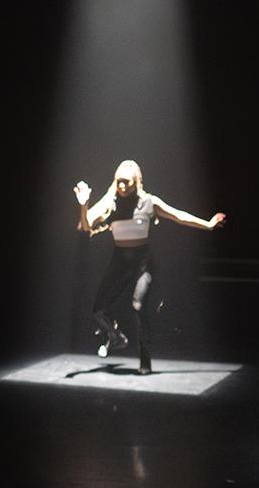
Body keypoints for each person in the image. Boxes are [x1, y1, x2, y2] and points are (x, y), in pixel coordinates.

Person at [73, 160, 225, 375]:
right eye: (119, 183)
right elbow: (84, 228)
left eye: (127, 183)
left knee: (138, 307)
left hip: (142, 263)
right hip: (119, 262)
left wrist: (207, 224)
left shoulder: (149, 202)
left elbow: (178, 216)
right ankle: (115, 337)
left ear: (136, 182)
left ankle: (145, 359)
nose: (122, 187)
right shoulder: (111, 203)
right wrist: (83, 205)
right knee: (97, 310)